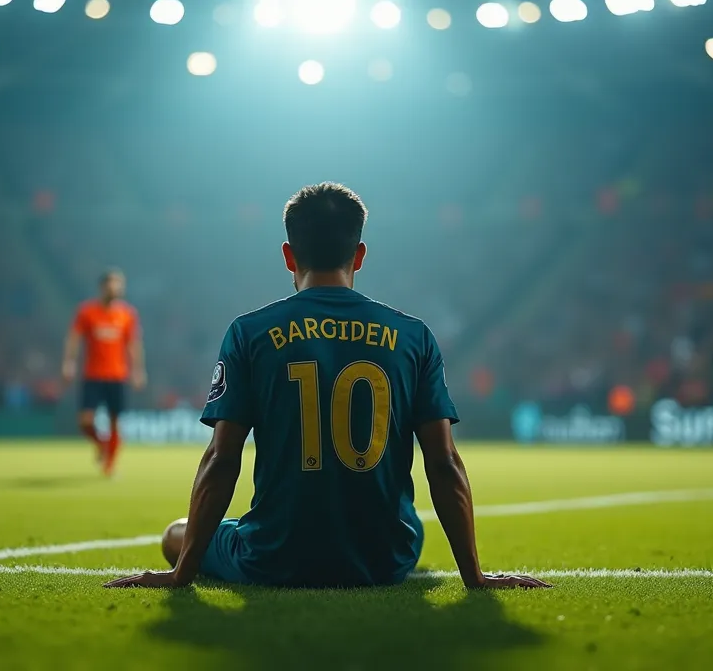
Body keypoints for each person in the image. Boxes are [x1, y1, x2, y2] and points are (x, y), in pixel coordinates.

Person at [106, 183, 548, 590]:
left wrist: (181, 574)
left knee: (174, 535)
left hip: (274, 559)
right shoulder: (413, 336)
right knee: (408, 518)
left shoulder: (250, 333)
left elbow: (222, 459)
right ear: (359, 255)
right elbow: (444, 462)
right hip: (386, 558)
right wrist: (476, 578)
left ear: (287, 254)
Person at [62, 268, 146, 476]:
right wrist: (69, 362)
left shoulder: (127, 314)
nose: (116, 289)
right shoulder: (86, 311)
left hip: (118, 376)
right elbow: (74, 338)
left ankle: (110, 465)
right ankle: (101, 444)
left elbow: (133, 344)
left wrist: (138, 371)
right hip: (93, 375)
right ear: (102, 287)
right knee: (85, 421)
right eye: (112, 284)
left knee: (115, 422)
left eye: (119, 285)